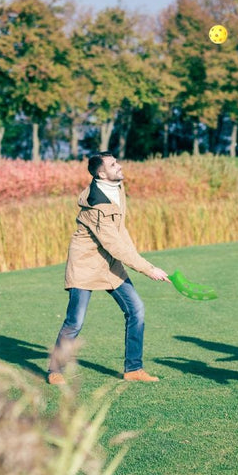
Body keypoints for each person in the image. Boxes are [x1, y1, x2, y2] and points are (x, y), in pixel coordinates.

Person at [47, 151, 171, 385]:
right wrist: (148, 269)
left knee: (136, 310)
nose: (120, 166)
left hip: (109, 265)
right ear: (101, 173)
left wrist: (140, 259)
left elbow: (120, 232)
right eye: (114, 165)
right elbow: (113, 244)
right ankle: (55, 370)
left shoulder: (116, 189)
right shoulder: (97, 204)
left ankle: (133, 369)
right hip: (85, 265)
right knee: (75, 321)